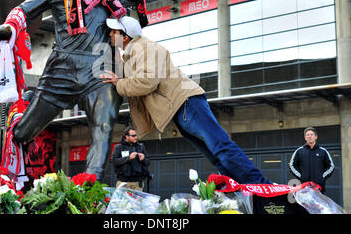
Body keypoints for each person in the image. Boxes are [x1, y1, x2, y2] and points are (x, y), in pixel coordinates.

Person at [0, 0, 147, 180]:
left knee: (104, 124)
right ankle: (10, 174)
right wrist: (7, 28)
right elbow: (25, 9)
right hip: (62, 67)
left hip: (100, 67)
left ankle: (90, 189)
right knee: (23, 132)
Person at [100, 16, 271, 185]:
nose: (109, 35)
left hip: (187, 102)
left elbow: (147, 82)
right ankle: (243, 189)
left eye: (113, 31)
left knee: (220, 146)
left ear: (125, 36)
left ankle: (262, 187)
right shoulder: (133, 54)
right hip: (181, 107)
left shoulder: (146, 48)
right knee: (215, 155)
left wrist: (119, 83)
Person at [289, 126, 334, 193]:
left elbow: (331, 166)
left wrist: (322, 177)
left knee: (319, 204)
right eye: (308, 135)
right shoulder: (299, 151)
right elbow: (292, 165)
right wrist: (301, 176)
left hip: (319, 189)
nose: (310, 136)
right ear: (305, 138)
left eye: (312, 134)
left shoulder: (323, 151)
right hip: (304, 189)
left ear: (316, 137)